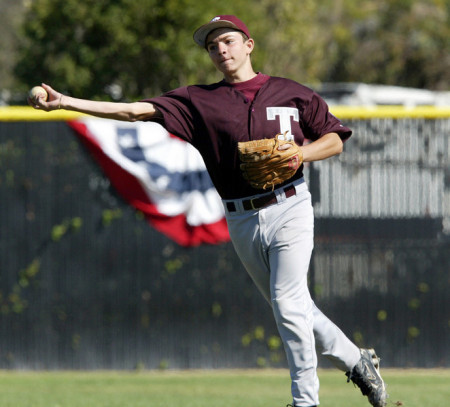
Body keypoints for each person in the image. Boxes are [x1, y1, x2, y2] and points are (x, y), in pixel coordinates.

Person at [29, 14, 388, 407]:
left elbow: (335, 139)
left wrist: (301, 152)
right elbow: (133, 111)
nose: (221, 50)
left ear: (248, 45)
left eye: (228, 41)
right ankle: (357, 361)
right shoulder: (198, 101)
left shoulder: (291, 92)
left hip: (290, 206)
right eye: (213, 46)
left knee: (288, 303)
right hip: (240, 217)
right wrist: (64, 102)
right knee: (293, 308)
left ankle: (305, 401)